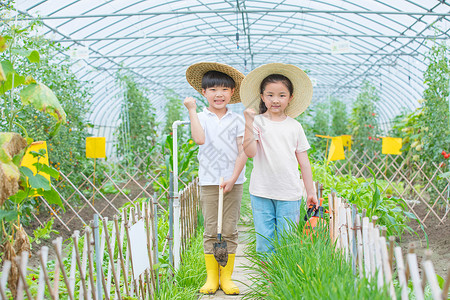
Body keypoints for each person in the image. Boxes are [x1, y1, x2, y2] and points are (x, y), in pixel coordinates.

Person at [241, 63, 318, 253]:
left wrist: (310, 191)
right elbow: (250, 152)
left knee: (288, 241)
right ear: (262, 97)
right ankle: (268, 280)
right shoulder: (257, 122)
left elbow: (304, 163)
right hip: (261, 192)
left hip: (289, 192)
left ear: (290, 98)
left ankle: (282, 281)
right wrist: (249, 122)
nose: (276, 100)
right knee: (264, 242)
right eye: (270, 95)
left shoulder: (295, 126)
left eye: (282, 95)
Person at [184, 62, 247, 295]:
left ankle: (227, 278)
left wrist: (233, 178)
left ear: (232, 92)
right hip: (209, 181)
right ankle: (212, 277)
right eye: (212, 89)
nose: (218, 94)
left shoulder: (238, 119)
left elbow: (243, 151)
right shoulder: (200, 117)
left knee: (229, 229)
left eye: (223, 89)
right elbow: (199, 139)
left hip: (234, 181)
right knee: (211, 229)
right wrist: (191, 110)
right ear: (203, 93)